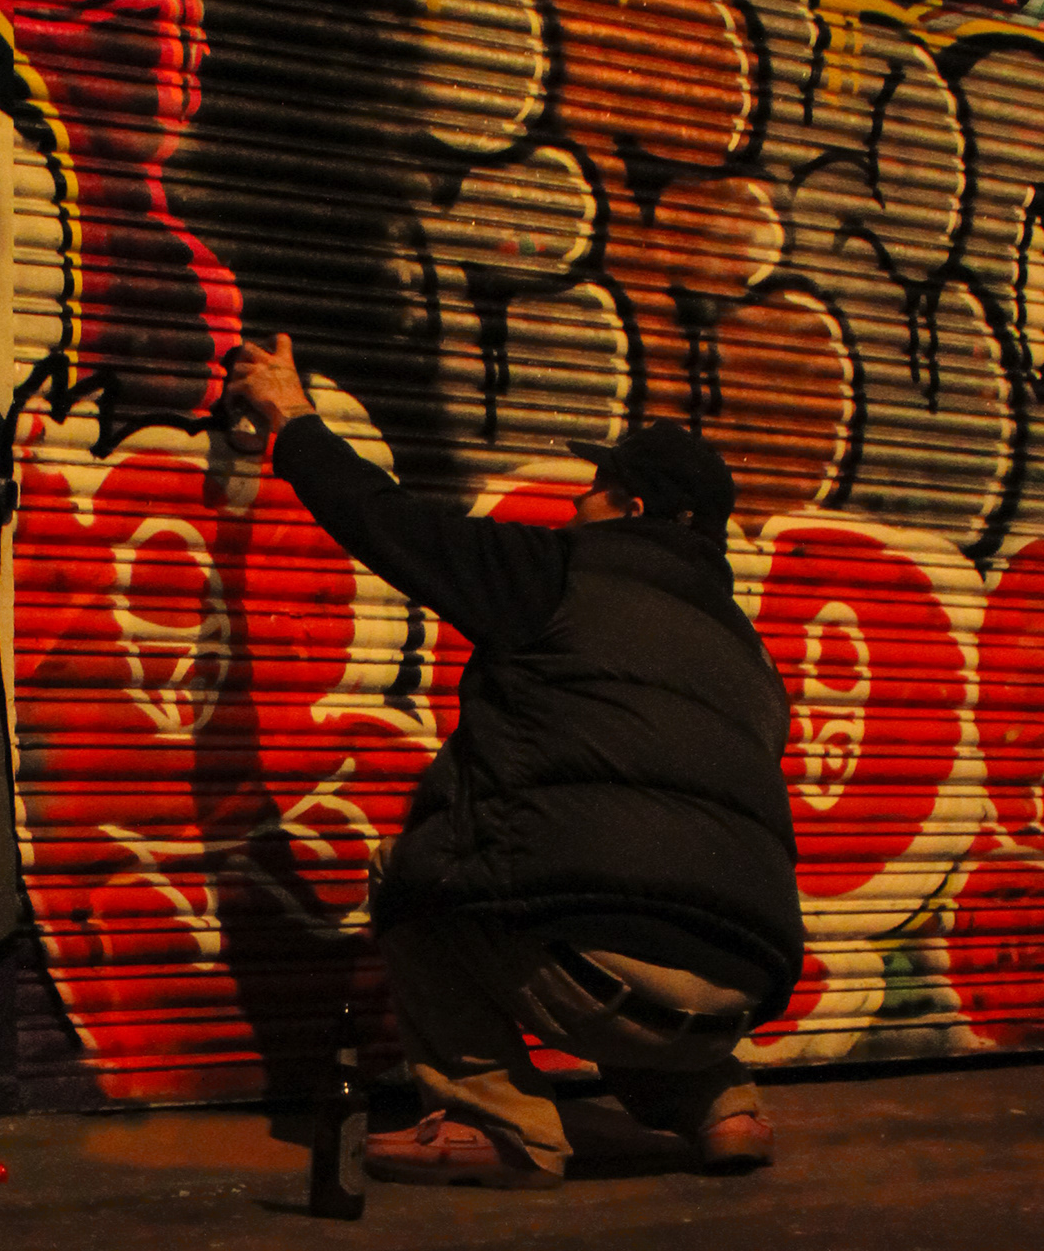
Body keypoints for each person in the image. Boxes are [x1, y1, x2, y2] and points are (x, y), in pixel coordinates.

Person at [223, 335, 804, 1188]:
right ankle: (724, 1107)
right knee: (645, 891)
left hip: (597, 981)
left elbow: (385, 520)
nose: (574, 503)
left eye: (593, 488)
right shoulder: (750, 655)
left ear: (632, 506)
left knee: (414, 874)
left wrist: (294, 419)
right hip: (736, 999)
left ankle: (495, 1125)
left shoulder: (555, 573)